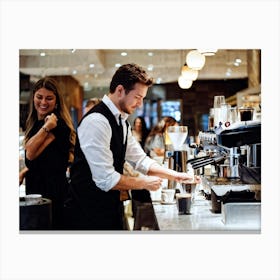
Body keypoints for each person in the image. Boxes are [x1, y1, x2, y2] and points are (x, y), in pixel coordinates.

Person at [64, 63, 199, 230]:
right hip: (86, 215)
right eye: (138, 97)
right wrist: (144, 182)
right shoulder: (96, 121)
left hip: (109, 208)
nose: (140, 104)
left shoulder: (121, 121)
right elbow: (106, 179)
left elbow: (141, 160)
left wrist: (177, 175)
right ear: (120, 90)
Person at [20, 77, 76, 229]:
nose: (43, 102)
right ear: (33, 98)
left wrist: (48, 126)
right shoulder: (35, 123)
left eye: (49, 98)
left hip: (53, 195)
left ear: (56, 101)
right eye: (39, 97)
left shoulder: (57, 125)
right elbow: (34, 161)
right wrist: (24, 172)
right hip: (37, 191)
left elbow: (30, 154)